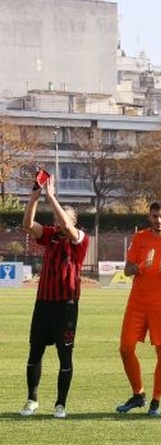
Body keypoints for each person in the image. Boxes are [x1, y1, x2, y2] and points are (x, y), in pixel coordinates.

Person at [20, 175, 88, 419]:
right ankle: (32, 399)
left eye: (64, 219)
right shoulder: (49, 235)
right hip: (44, 304)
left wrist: (52, 197)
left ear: (74, 221)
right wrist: (35, 197)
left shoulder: (80, 239)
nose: (58, 222)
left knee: (64, 354)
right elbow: (28, 224)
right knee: (35, 352)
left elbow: (69, 229)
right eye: (57, 219)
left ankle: (61, 403)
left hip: (66, 307)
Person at [116, 201, 161, 416]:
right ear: (149, 217)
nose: (158, 220)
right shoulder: (139, 238)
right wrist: (140, 266)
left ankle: (156, 401)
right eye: (155, 216)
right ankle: (138, 394)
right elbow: (128, 270)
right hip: (137, 303)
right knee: (126, 348)